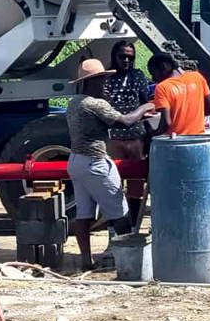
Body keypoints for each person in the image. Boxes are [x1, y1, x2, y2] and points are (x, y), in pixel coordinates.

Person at [66, 58, 154, 271]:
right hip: (95, 163)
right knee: (120, 212)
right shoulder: (96, 104)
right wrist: (145, 106)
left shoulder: (74, 103)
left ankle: (86, 260)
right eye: (102, 80)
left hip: (76, 161)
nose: (105, 84)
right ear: (92, 82)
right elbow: (126, 121)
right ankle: (127, 261)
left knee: (84, 214)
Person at [102, 41, 150, 216]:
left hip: (136, 137)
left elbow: (145, 101)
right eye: (122, 56)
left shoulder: (137, 75)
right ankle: (116, 222)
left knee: (136, 183)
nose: (126, 60)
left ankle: (133, 222)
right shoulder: (106, 77)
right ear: (114, 56)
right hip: (113, 137)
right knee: (113, 183)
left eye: (130, 57)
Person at [147, 52, 210, 136]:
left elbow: (166, 123)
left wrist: (152, 134)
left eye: (153, 73)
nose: (153, 78)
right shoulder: (197, 77)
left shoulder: (162, 87)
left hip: (176, 140)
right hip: (198, 138)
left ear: (163, 67)